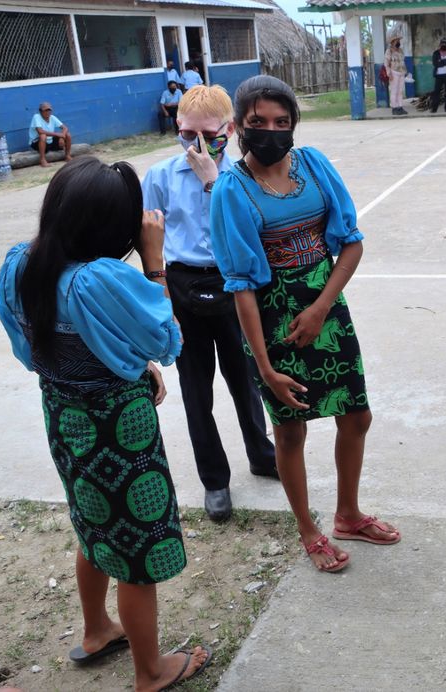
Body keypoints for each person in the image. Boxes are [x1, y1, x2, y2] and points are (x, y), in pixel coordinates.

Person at [0, 157, 212, 691]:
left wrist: (129, 367)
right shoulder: (101, 278)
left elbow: (39, 348)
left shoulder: (21, 263)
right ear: (112, 227)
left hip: (64, 416)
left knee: (91, 522)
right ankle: (150, 671)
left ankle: (96, 630)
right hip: (119, 428)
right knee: (136, 551)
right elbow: (167, 339)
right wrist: (155, 261)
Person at [210, 75, 400, 573]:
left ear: (295, 124)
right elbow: (242, 286)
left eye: (281, 122)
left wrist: (320, 308)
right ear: (238, 127)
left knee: (356, 415)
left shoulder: (314, 165)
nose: (270, 131)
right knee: (289, 432)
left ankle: (348, 514)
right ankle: (308, 530)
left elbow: (351, 242)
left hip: (327, 306)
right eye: (257, 123)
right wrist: (266, 366)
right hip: (270, 321)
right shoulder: (231, 189)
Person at [142, 85, 278, 523]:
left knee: (247, 379)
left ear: (230, 130)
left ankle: (261, 452)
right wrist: (160, 295)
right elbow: (151, 245)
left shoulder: (241, 176)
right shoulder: (160, 177)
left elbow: (250, 230)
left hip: (233, 281)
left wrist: (211, 181)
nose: (198, 146)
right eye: (186, 135)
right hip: (183, 283)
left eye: (210, 136)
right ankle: (214, 480)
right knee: (197, 389)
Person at [28, 101, 72, 168]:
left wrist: (62, 137)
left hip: (49, 141)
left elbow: (65, 128)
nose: (48, 112)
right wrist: (57, 135)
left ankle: (67, 156)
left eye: (49, 110)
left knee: (68, 135)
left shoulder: (52, 117)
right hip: (36, 142)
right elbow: (40, 131)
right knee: (43, 136)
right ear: (40, 111)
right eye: (46, 110)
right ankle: (42, 160)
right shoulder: (36, 117)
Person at [384, 34, 408, 116]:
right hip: (393, 72)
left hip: (402, 72)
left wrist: (406, 71)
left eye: (399, 40)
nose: (398, 42)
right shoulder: (389, 51)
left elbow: (403, 61)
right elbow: (386, 64)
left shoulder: (400, 50)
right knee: (394, 91)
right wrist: (389, 73)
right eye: (397, 41)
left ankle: (400, 107)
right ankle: (394, 108)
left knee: (400, 91)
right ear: (393, 42)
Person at [430, 37, 446, 113]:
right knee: (436, 92)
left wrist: (441, 61)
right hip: (438, 76)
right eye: (442, 44)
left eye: (445, 44)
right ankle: (434, 109)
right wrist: (445, 62)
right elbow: (435, 63)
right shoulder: (436, 53)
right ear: (440, 45)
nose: (444, 45)